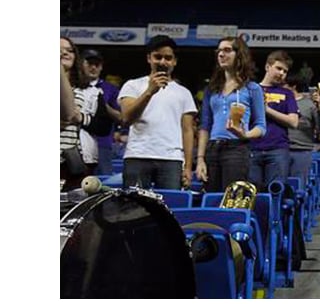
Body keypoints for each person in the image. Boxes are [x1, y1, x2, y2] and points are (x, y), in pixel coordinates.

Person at [118, 35, 198, 190]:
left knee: (169, 208)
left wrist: (188, 167)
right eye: (158, 57)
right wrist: (149, 91)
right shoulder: (132, 85)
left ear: (174, 62)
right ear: (149, 58)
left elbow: (188, 131)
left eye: (168, 58)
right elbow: (126, 118)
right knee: (133, 210)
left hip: (171, 159)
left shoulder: (184, 93)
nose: (163, 62)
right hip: (137, 155)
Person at [195, 36, 267, 194]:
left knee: (232, 199)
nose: (221, 54)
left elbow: (261, 126)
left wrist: (245, 134)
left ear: (239, 54)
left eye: (227, 50)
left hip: (237, 148)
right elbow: (205, 125)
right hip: (212, 149)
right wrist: (200, 159)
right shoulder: (211, 89)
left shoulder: (252, 88)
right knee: (212, 198)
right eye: (219, 51)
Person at [249, 50, 300, 192]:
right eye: (279, 68)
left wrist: (266, 110)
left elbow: (293, 122)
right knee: (251, 194)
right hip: (251, 149)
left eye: (285, 71)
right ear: (267, 67)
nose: (282, 73)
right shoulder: (251, 89)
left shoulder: (287, 94)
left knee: (276, 194)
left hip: (278, 149)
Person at [59, 37, 97, 191]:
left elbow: (69, 114)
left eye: (69, 50)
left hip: (67, 161)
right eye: (59, 50)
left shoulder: (81, 90)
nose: (64, 53)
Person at [81, 49, 121, 176]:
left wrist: (103, 106)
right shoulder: (72, 85)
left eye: (97, 64)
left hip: (102, 143)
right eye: (89, 63)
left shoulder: (111, 89)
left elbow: (121, 117)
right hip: (77, 143)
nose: (93, 67)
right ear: (81, 64)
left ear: (101, 67)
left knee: (103, 182)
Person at [289, 81, 320, 185]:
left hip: (302, 149)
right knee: (278, 187)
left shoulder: (309, 103)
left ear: (293, 86)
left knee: (298, 186)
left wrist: (319, 106)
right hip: (280, 149)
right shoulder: (279, 101)